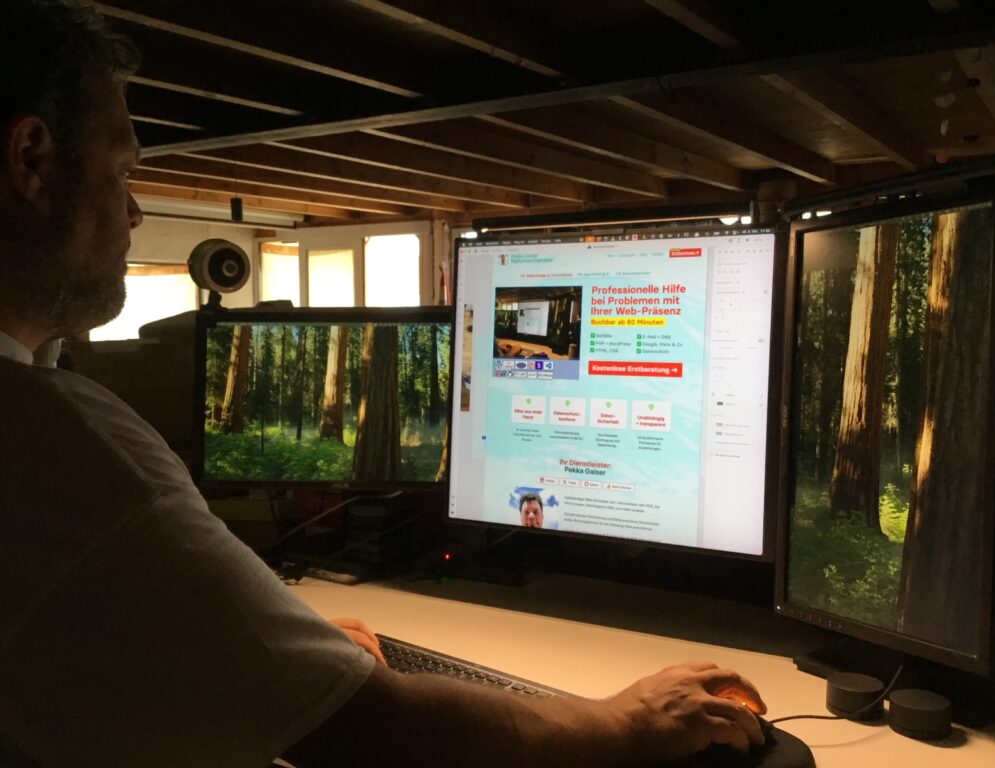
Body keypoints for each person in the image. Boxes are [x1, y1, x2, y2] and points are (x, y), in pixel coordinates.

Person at [0, 2, 768, 766]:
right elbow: (384, 732)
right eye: (124, 170)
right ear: (30, 158)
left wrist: (277, 654)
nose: (135, 210)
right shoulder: (68, 448)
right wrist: (628, 722)